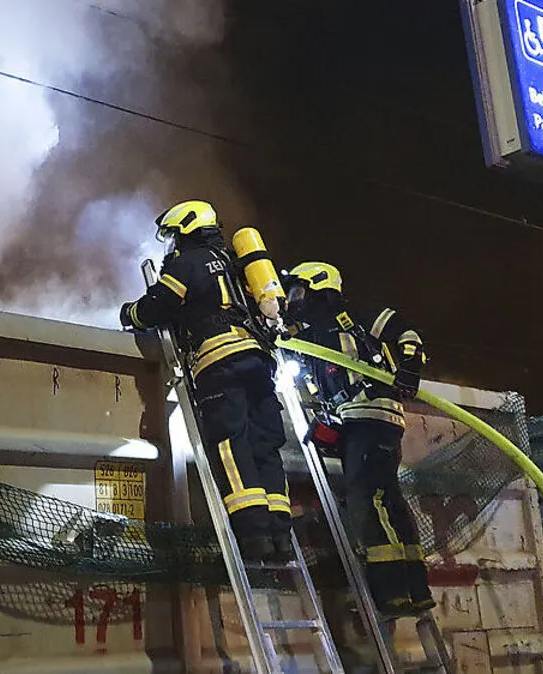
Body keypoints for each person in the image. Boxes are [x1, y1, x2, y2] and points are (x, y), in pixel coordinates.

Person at [120, 199, 292, 562]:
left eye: (172, 234)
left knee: (231, 443)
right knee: (266, 444)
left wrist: (130, 314)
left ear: (186, 229)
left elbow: (158, 304)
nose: (170, 243)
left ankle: (254, 535)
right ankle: (280, 535)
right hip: (259, 361)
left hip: (218, 362)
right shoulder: (239, 264)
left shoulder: (187, 263)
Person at [282, 261, 435, 616]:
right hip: (361, 419)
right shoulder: (313, 333)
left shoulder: (356, 316)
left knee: (366, 500)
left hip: (370, 414)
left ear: (319, 287)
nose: (294, 299)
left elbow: (407, 333)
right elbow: (288, 350)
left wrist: (410, 369)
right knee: (388, 499)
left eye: (299, 291)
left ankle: (392, 591)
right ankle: (416, 586)